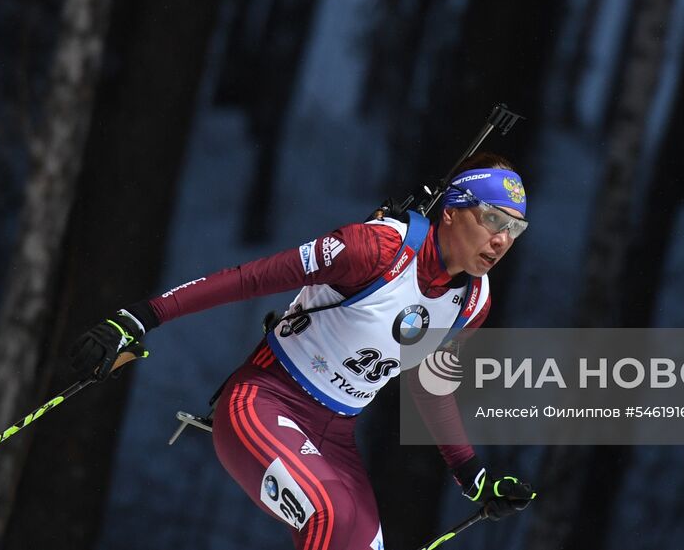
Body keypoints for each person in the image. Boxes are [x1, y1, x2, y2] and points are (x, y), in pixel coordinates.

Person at [69, 152, 537, 550]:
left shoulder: (473, 302)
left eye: (515, 229)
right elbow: (249, 278)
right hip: (263, 402)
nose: (502, 239)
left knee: (363, 539)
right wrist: (137, 319)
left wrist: (474, 478)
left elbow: (431, 388)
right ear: (452, 211)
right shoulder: (375, 249)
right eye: (492, 218)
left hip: (335, 438)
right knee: (331, 516)